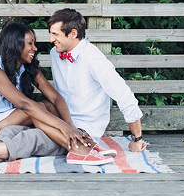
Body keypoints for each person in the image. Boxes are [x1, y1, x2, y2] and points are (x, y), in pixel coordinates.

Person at [0, 22, 115, 169]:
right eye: (30, 43)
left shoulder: (28, 68)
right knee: (34, 109)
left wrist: (72, 127)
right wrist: (64, 128)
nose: (35, 48)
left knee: (47, 105)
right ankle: (79, 150)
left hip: (5, 121)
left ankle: (82, 142)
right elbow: (26, 106)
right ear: (15, 45)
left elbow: (55, 98)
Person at [47, 8, 147, 152]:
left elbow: (124, 95)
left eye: (55, 34)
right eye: (51, 34)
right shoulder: (54, 54)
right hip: (59, 121)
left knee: (28, 141)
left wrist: (137, 139)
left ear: (73, 33)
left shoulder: (93, 59)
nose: (51, 40)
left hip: (84, 130)